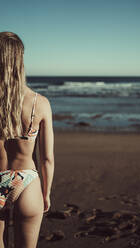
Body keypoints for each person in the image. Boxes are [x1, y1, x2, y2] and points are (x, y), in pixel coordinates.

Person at [0, 31, 54, 248]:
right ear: (20, 59)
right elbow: (47, 158)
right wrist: (46, 193)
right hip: (27, 183)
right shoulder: (39, 103)